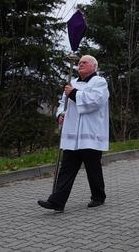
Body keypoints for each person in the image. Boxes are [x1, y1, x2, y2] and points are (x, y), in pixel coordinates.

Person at [38, 55, 109, 212]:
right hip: (72, 135)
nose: (80, 64)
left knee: (93, 168)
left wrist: (74, 94)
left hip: (90, 134)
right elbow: (63, 103)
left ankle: (98, 196)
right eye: (79, 62)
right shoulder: (72, 83)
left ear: (94, 66)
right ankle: (57, 201)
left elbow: (96, 101)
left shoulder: (100, 82)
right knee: (67, 169)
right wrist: (60, 114)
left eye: (84, 62)